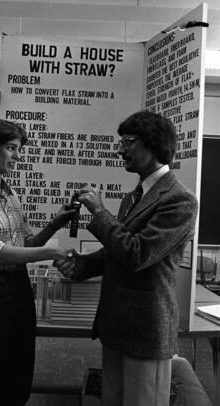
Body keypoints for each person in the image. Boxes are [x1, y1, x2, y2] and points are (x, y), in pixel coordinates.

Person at [56, 110, 198, 406]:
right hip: (116, 326)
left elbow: (137, 254)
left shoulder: (180, 200)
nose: (121, 149)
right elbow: (115, 253)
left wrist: (98, 212)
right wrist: (80, 266)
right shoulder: (134, 197)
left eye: (129, 141)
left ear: (153, 144)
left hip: (146, 331)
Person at [0, 118, 75, 406]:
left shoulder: (9, 192)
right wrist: (53, 254)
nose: (18, 156)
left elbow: (25, 245)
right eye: (12, 148)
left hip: (19, 289)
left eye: (18, 148)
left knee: (19, 377)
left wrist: (55, 225)